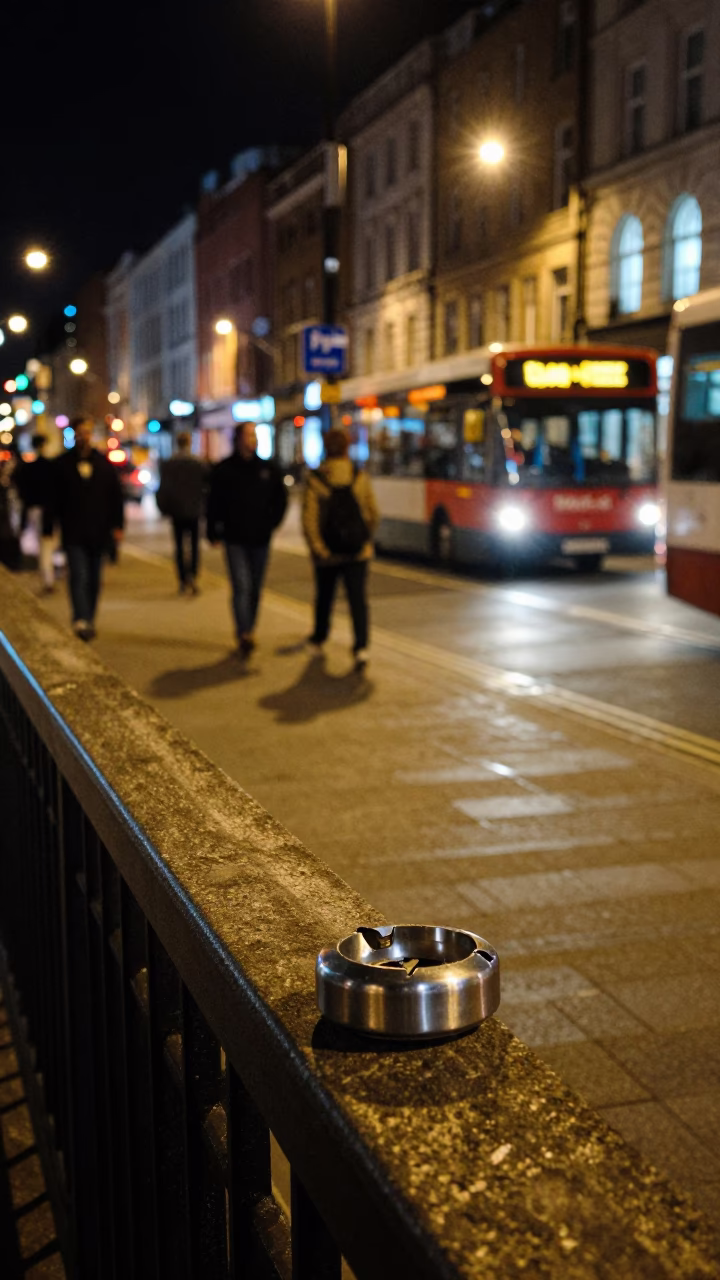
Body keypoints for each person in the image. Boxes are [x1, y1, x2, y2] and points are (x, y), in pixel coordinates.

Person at [206, 422, 288, 657]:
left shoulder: (268, 468)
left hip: (260, 538)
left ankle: (250, 627)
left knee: (255, 587)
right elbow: (214, 503)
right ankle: (244, 632)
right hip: (235, 538)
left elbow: (280, 500)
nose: (253, 439)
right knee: (241, 585)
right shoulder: (225, 469)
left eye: (255, 435)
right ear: (238, 439)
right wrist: (213, 531)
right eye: (248, 435)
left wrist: (272, 523)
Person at [302, 426, 379, 672]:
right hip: (357, 552)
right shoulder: (359, 476)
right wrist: (364, 538)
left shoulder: (316, 479)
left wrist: (318, 548)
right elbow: (373, 513)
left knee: (324, 596)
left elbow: (309, 519)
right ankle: (361, 647)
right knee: (358, 600)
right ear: (347, 448)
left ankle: (319, 638)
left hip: (328, 554)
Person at [51, 417, 124, 641]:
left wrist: (118, 526)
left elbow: (115, 498)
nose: (84, 436)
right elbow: (53, 500)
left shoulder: (103, 464)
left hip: (99, 532)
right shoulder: (62, 465)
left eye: (88, 432)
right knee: (78, 576)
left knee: (94, 578)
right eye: (80, 432)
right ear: (74, 434)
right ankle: (80, 618)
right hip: (73, 531)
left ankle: (89, 617)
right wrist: (49, 526)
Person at [156, 430, 208, 594]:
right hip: (193, 510)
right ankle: (192, 574)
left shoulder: (170, 463)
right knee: (193, 545)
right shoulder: (198, 463)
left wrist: (164, 508)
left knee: (179, 546)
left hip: (177, 511)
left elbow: (163, 488)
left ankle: (182, 579)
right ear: (189, 442)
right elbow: (205, 488)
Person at [18, 433, 57, 592]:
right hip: (46, 511)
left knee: (42, 545)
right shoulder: (49, 467)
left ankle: (46, 576)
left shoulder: (28, 468)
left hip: (34, 509)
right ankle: (48, 578)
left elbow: (22, 490)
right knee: (46, 545)